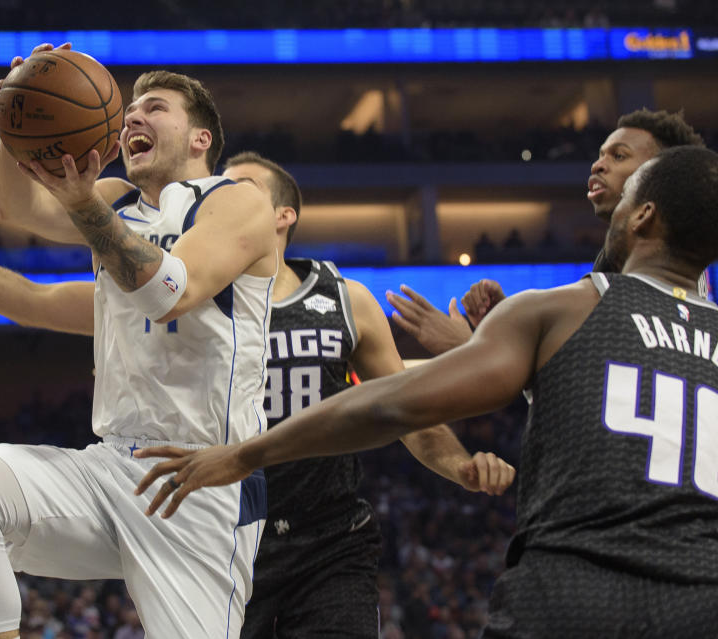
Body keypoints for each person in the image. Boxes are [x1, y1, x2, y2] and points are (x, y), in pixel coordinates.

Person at [134, 146, 718, 636]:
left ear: (642, 217)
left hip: (576, 591)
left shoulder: (563, 309)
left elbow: (395, 403)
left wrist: (244, 455)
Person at [0, 57, 280, 638]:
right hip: (112, 464)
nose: (134, 114)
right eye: (131, 108)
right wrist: (16, 115)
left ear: (201, 138)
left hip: (198, 478)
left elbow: (171, 293)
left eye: (155, 107)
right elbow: (20, 218)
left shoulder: (235, 200)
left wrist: (82, 202)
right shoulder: (115, 201)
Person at [221, 152, 515, 639]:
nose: (223, 198)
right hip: (223, 538)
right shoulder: (193, 299)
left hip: (329, 541)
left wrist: (459, 467)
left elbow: (404, 408)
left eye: (242, 187)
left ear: (283, 214)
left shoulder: (344, 298)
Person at [391, 108, 707, 355]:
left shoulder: (656, 270)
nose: (598, 165)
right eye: (600, 154)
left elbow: (587, 386)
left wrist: (472, 346)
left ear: (661, 175)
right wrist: (506, 322)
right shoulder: (628, 262)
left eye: (618, 155)